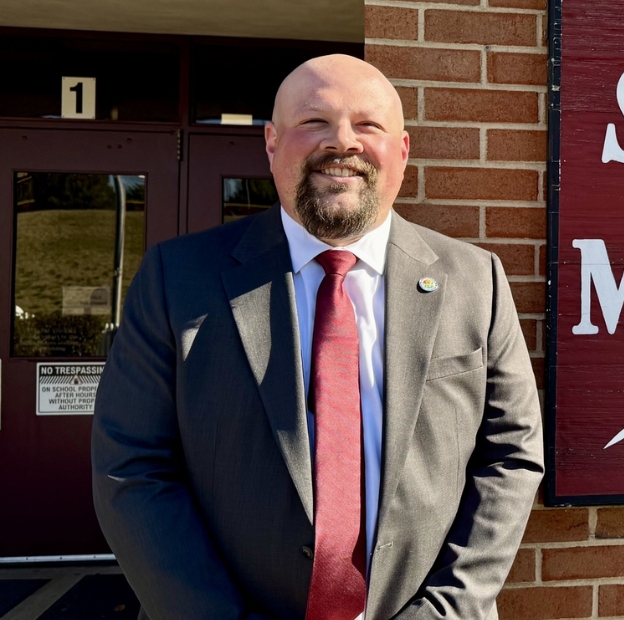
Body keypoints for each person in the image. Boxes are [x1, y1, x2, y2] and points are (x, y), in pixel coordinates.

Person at [92, 54, 543, 620]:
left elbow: (511, 456)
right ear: (271, 141)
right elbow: (132, 467)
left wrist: (446, 610)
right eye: (314, 122)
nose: (343, 143)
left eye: (368, 125)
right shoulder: (176, 279)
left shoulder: (476, 281)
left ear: (402, 151)